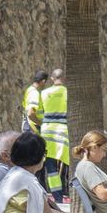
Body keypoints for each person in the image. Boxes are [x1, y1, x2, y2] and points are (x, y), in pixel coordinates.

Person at [39, 67, 70, 200]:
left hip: (47, 131)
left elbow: (40, 112)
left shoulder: (44, 93)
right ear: (64, 78)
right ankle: (71, 191)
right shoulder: (67, 92)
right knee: (69, 162)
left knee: (50, 166)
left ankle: (57, 197)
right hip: (63, 131)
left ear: (52, 79)